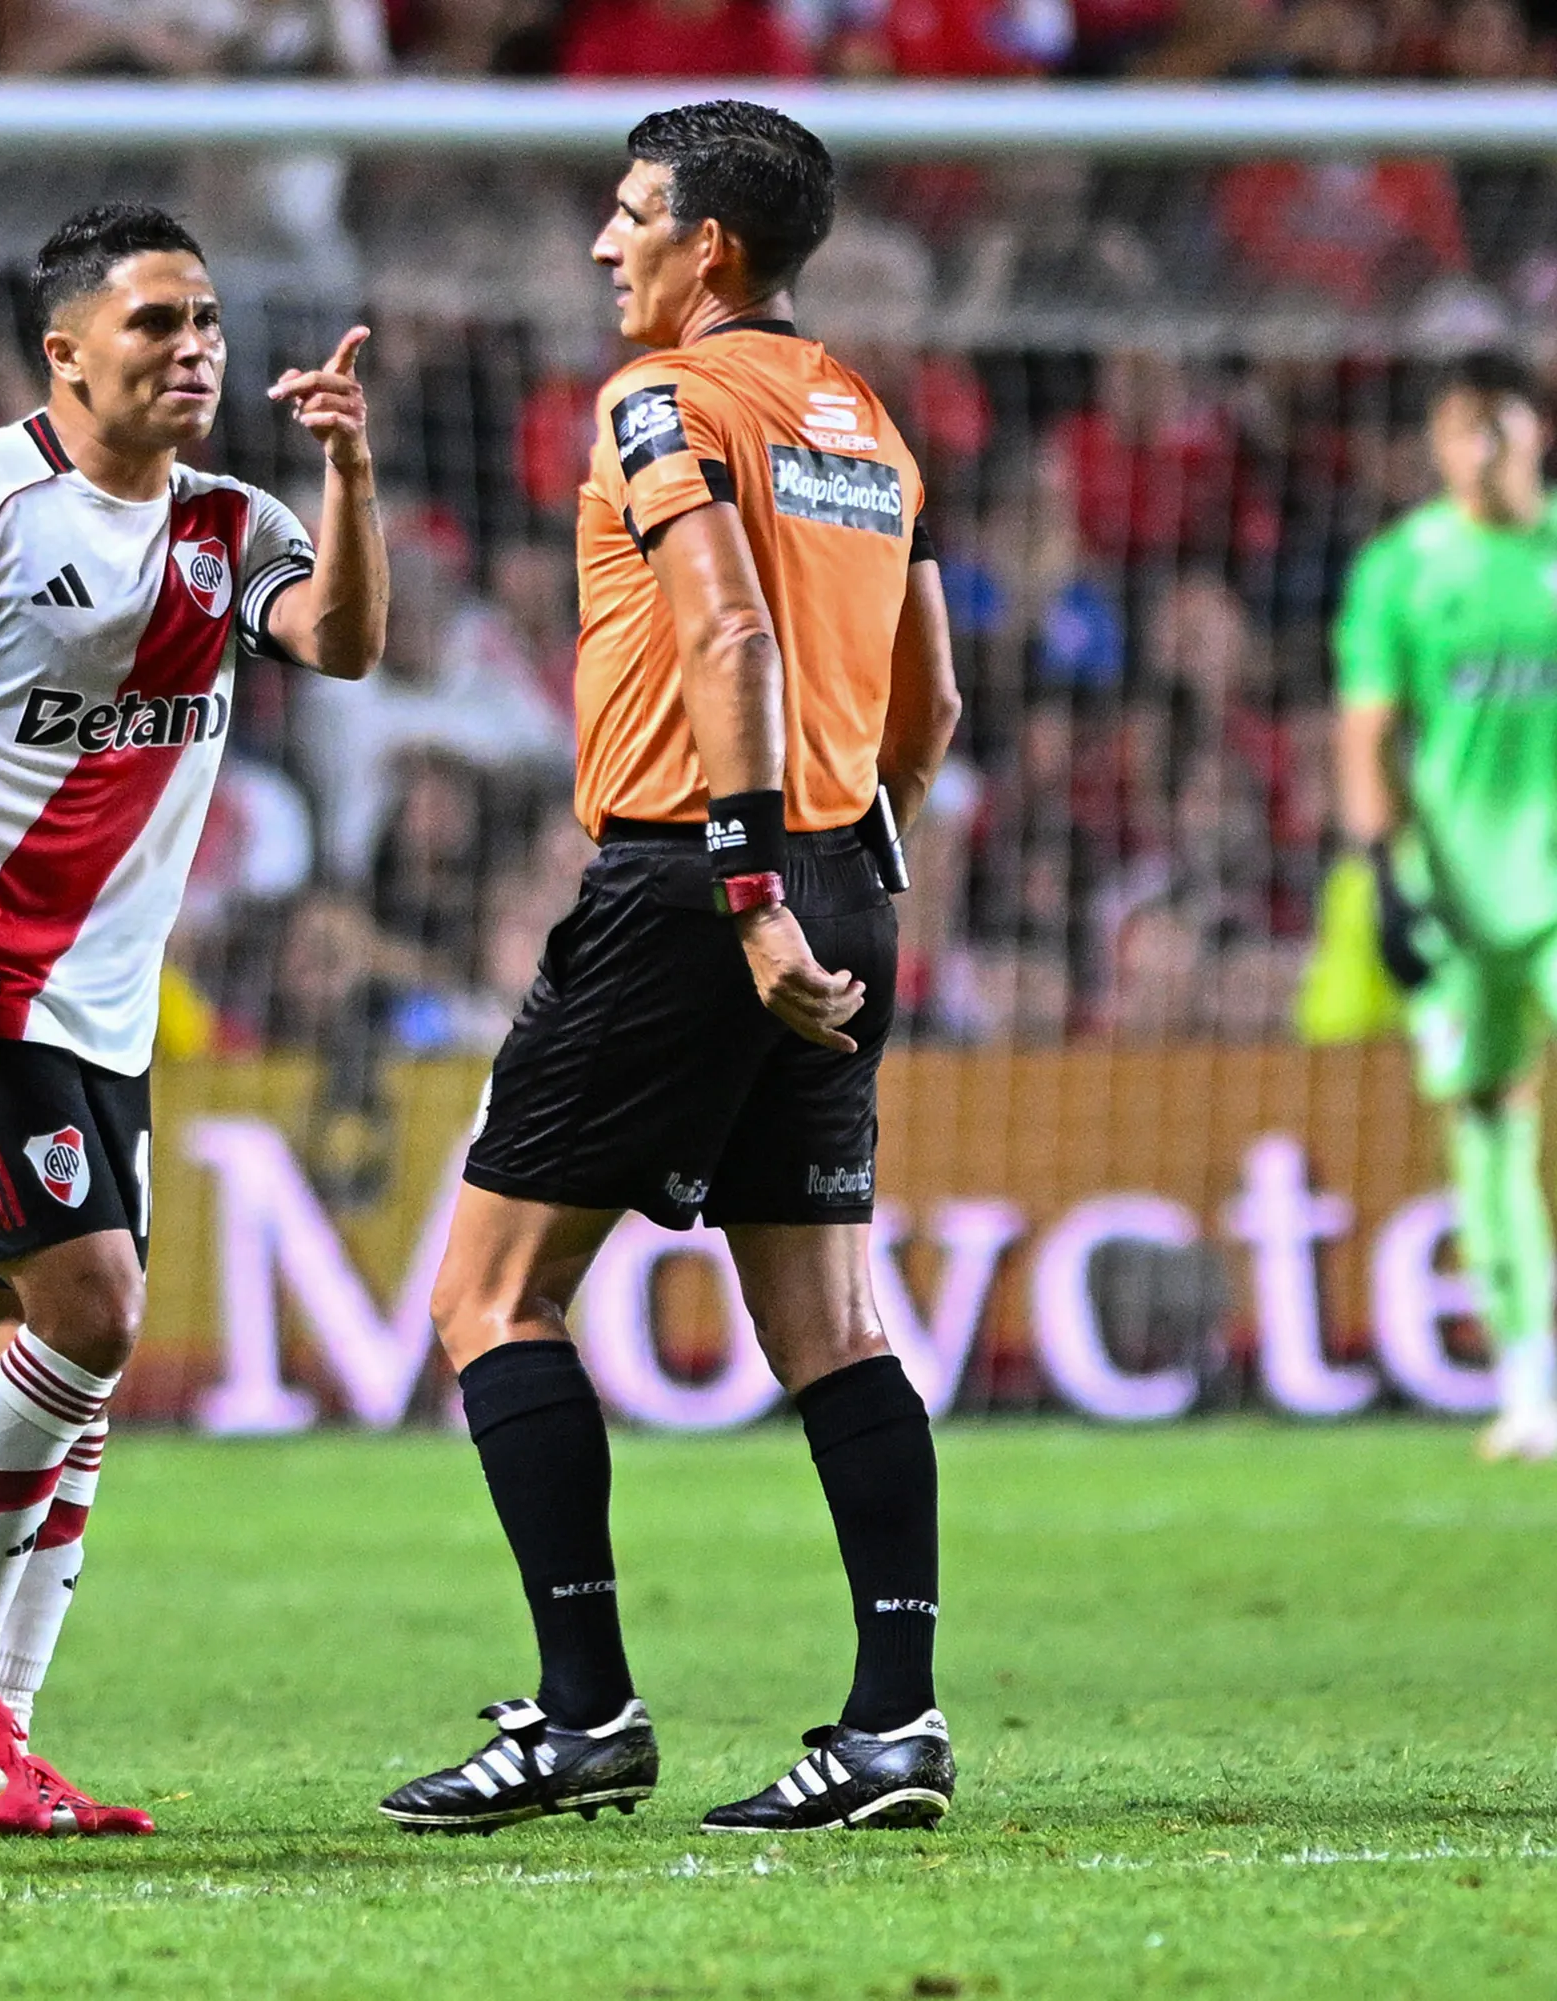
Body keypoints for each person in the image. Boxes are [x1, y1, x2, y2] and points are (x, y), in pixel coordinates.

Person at [376, 101, 963, 1838]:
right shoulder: (869, 423)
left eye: (629, 215)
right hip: (846, 871)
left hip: (704, 878)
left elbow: (720, 626)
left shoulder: (665, 400)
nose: (601, 243)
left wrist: (747, 876)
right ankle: (892, 1723)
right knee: (832, 1321)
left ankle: (583, 1714)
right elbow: (930, 703)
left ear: (708, 247)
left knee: (488, 1294)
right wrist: (849, 865)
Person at [0, 202, 388, 1835]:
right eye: (155, 325)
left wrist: (350, 474)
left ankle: (3, 1736)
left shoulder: (233, 521)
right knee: (98, 1309)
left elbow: (341, 641)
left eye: (205, 321)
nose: (194, 349)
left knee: (75, 1356)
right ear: (63, 351)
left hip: (103, 1013)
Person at [1334, 353, 1557, 1464]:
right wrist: (1382, 879)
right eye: (1458, 432)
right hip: (1461, 897)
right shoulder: (1403, 570)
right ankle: (1530, 1382)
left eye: (1496, 429)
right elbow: (1368, 732)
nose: (1477, 451)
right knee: (1488, 1133)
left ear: (1537, 432)